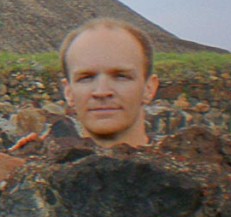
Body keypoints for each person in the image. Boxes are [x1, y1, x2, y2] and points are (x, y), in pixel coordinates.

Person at [59, 17, 160, 147]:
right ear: (68, 92)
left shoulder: (187, 165)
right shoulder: (39, 165)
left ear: (149, 88)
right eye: (86, 78)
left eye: (121, 76)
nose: (102, 92)